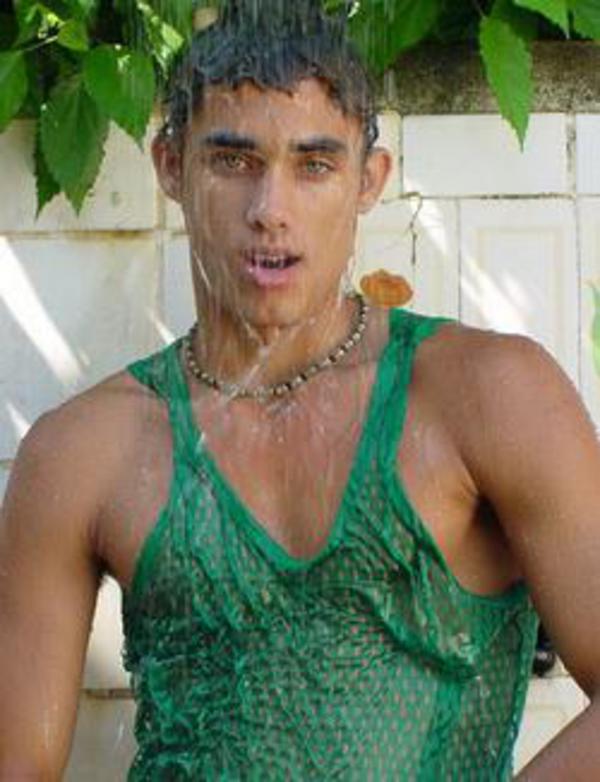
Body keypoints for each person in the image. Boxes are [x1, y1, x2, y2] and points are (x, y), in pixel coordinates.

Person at [1, 1, 600, 779]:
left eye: (314, 165)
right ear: (171, 167)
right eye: (233, 161)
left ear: (368, 179)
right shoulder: (82, 452)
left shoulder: (486, 397)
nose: (270, 211)